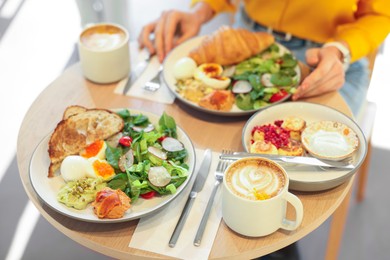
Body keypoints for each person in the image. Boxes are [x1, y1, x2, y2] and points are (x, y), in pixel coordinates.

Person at [138, 0, 390, 117]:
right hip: (247, 38)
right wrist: (201, 12)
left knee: (299, 155)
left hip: (327, 57)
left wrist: (340, 50)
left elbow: (380, 14)